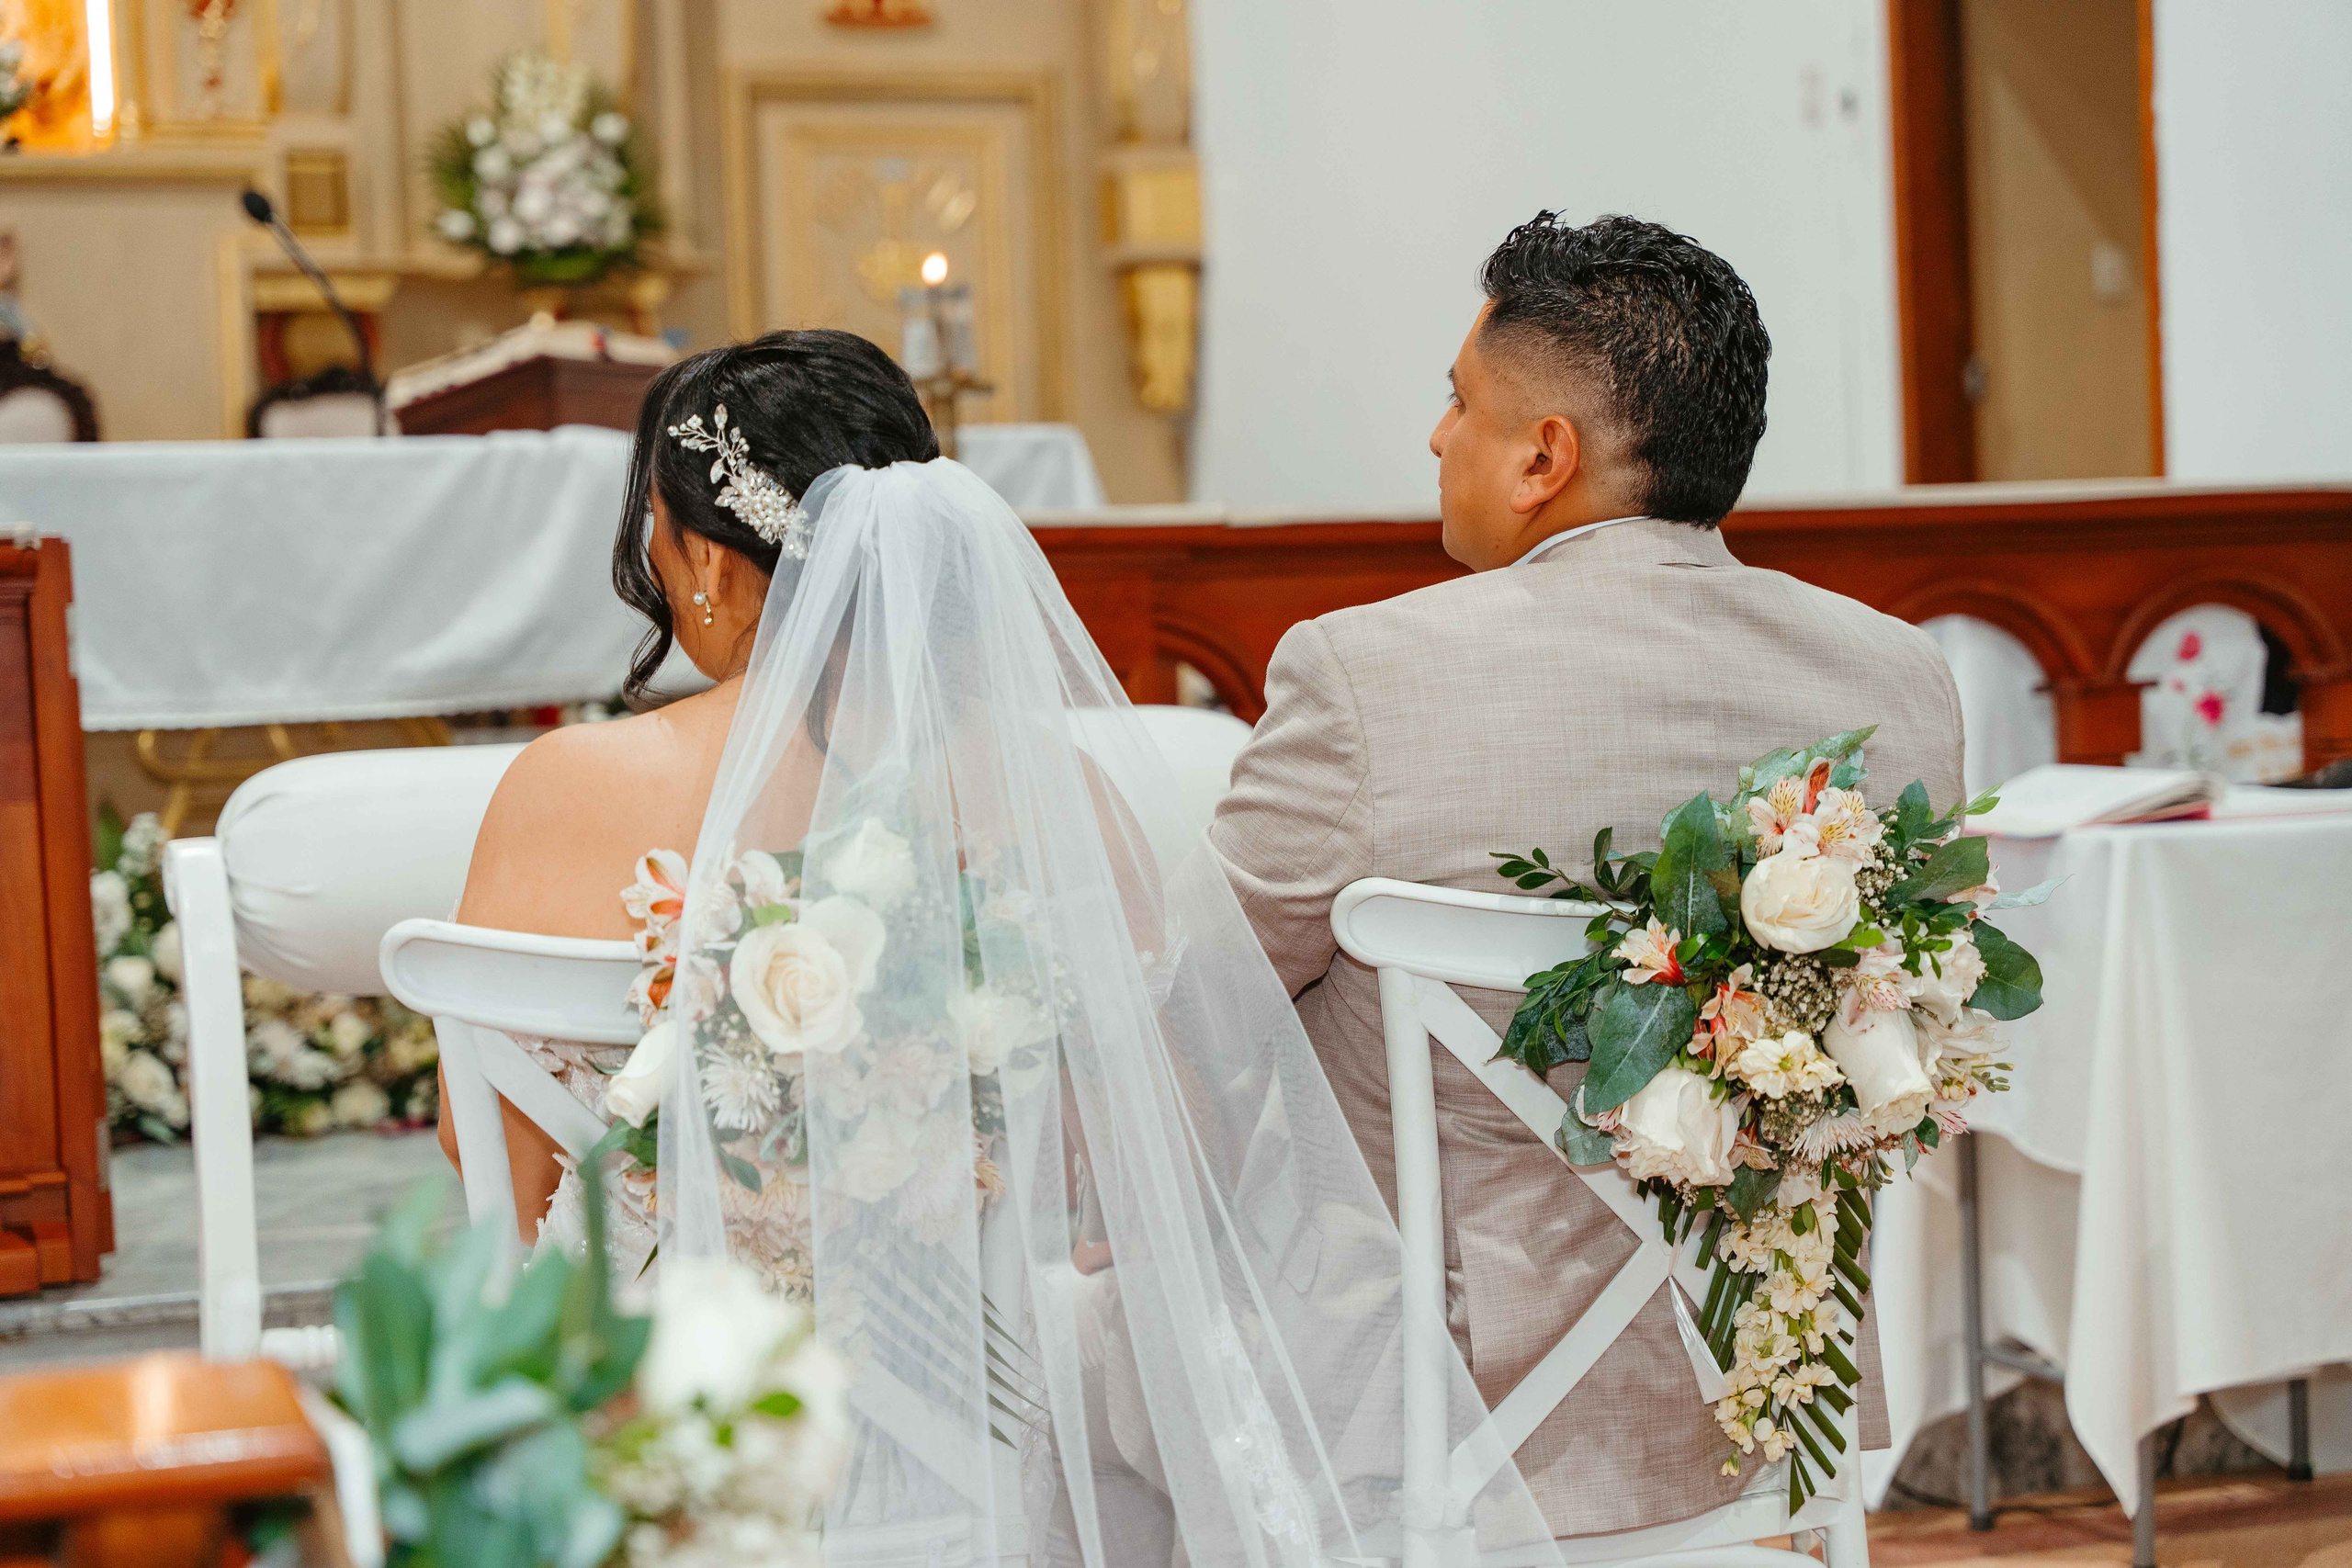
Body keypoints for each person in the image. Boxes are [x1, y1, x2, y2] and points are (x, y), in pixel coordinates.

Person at [439, 327, 1568, 1566]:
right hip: (964, 1421)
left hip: (636, 1426)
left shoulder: (567, 786)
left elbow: (491, 1167)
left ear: (706, 560)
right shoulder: (1051, 795)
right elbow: (1155, 1168)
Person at [1210, 212, 1965, 1540]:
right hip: (1767, 1383)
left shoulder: (1362, 678)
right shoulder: (1895, 679)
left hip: (1438, 1405)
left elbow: (1188, 1002)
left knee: (1098, 1355)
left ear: (1543, 457)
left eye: (1460, 400)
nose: (1438, 434)